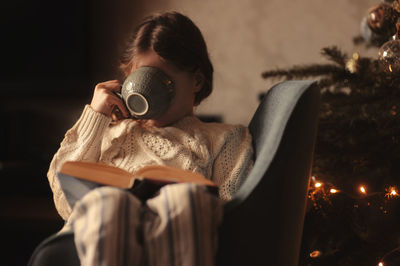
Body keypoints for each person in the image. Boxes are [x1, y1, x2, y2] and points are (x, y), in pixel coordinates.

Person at [47, 11, 253, 266]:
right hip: (104, 237)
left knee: (184, 201)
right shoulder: (108, 133)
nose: (147, 94)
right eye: (141, 79)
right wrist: (95, 117)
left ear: (197, 81)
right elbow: (63, 200)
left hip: (181, 237)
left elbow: (233, 215)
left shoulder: (225, 139)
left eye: (160, 81)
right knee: (110, 204)